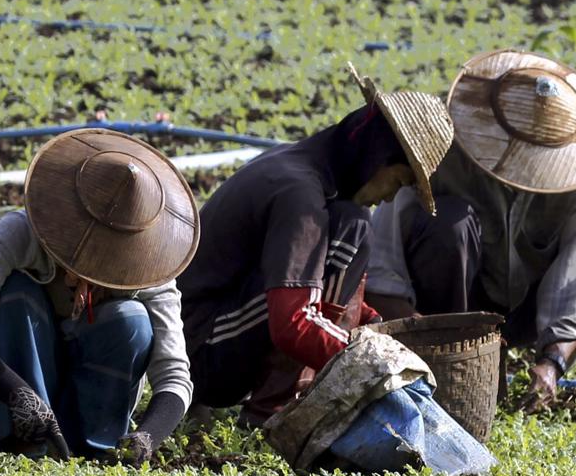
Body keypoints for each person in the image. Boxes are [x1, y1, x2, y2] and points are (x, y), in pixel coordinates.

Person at [366, 49, 576, 416]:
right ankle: (459, 373)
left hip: (529, 302)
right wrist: (438, 346)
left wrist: (553, 364)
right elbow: (383, 272)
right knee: (450, 221)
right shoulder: (441, 152)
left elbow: (575, 281)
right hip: (454, 305)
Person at [175, 66, 454, 416]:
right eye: (397, 182)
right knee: (352, 232)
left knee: (353, 226)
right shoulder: (300, 193)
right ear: (377, 157)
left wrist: (372, 326)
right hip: (200, 351)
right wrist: (372, 370)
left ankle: (292, 392)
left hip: (215, 331)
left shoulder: (308, 171)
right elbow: (293, 324)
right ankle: (272, 408)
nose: (386, 199)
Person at [0, 128, 200, 464]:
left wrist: (149, 436)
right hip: (2, 402)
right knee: (19, 295)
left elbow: (174, 376)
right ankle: (17, 440)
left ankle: (90, 445)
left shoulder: (149, 267)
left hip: (82, 396)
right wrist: (18, 394)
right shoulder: (21, 233)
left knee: (131, 321)